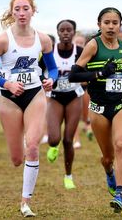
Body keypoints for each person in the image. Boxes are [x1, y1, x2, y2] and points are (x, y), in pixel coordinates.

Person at [0, 0, 58, 217]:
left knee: (32, 146)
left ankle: (25, 202)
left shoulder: (43, 40)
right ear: (12, 12)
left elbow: (51, 69)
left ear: (33, 11)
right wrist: (7, 84)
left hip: (35, 94)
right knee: (16, 158)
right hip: (8, 98)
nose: (22, 13)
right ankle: (22, 159)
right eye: (18, 9)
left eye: (26, 8)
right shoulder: (3, 40)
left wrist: (51, 79)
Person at [69, 7, 122, 213]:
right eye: (107, 22)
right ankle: (109, 172)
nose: (111, 26)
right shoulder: (92, 46)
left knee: (120, 144)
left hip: (121, 103)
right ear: (99, 25)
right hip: (98, 107)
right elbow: (74, 76)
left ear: (120, 26)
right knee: (108, 157)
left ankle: (120, 194)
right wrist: (99, 73)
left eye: (115, 23)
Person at [44, 19, 84, 189]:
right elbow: (38, 70)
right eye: (62, 30)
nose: (66, 33)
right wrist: (44, 81)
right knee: (54, 138)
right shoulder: (49, 52)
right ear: (58, 33)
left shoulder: (80, 51)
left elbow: (88, 70)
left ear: (74, 32)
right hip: (55, 96)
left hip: (74, 96)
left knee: (68, 140)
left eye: (69, 30)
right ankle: (53, 145)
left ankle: (68, 176)